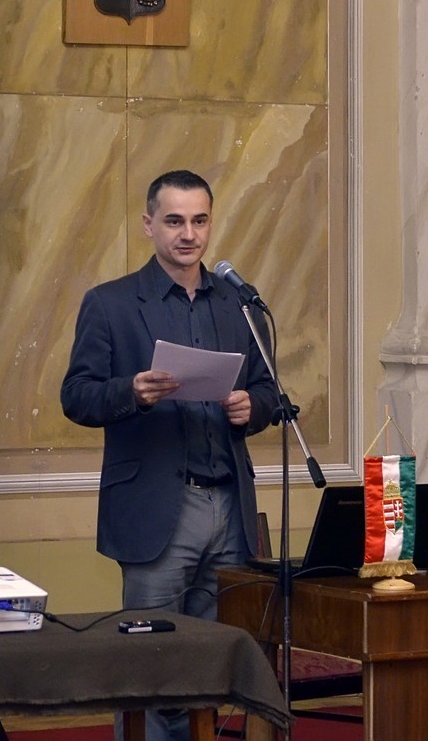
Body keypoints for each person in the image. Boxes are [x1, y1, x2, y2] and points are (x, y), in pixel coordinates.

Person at [60, 170, 278, 741]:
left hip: (229, 505)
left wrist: (251, 407)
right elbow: (76, 396)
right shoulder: (111, 303)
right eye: (175, 221)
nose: (189, 234)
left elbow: (269, 390)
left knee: (209, 668)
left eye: (200, 221)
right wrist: (131, 392)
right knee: (150, 668)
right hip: (160, 507)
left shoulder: (240, 304)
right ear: (148, 224)